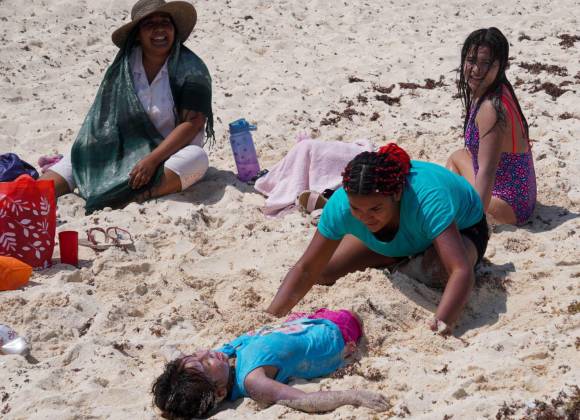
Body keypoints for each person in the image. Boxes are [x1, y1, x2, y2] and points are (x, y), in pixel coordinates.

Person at [267, 144, 488, 335]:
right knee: (325, 271)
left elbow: (460, 271)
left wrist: (440, 326)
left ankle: (407, 261)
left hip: (463, 229)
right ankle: (400, 258)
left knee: (438, 271)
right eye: (356, 209)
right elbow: (307, 268)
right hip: (402, 235)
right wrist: (270, 318)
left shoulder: (428, 198)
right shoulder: (342, 205)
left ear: (397, 194)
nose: (366, 217)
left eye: (375, 208)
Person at [40, 0, 214, 213]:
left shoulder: (192, 69)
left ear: (174, 30)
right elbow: (103, 121)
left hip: (168, 156)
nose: (159, 29)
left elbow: (193, 124)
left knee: (196, 159)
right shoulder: (124, 67)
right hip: (123, 148)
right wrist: (95, 152)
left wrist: (151, 160)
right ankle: (28, 195)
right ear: (138, 35)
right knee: (77, 158)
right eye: (149, 24)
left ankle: (131, 197)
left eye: (165, 22)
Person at [151, 308, 389, 418]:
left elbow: (185, 370)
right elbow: (304, 400)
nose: (206, 352)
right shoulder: (253, 381)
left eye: (196, 354)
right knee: (354, 315)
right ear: (221, 392)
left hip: (305, 322)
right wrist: (353, 396)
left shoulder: (223, 362)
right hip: (337, 333)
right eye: (205, 364)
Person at [446, 27, 536, 225]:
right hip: (523, 190)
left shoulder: (491, 108)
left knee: (450, 205)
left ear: (501, 65)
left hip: (508, 202)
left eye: (485, 63)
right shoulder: (498, 88)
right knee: (457, 157)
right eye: (471, 61)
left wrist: (474, 221)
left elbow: (488, 170)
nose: (476, 70)